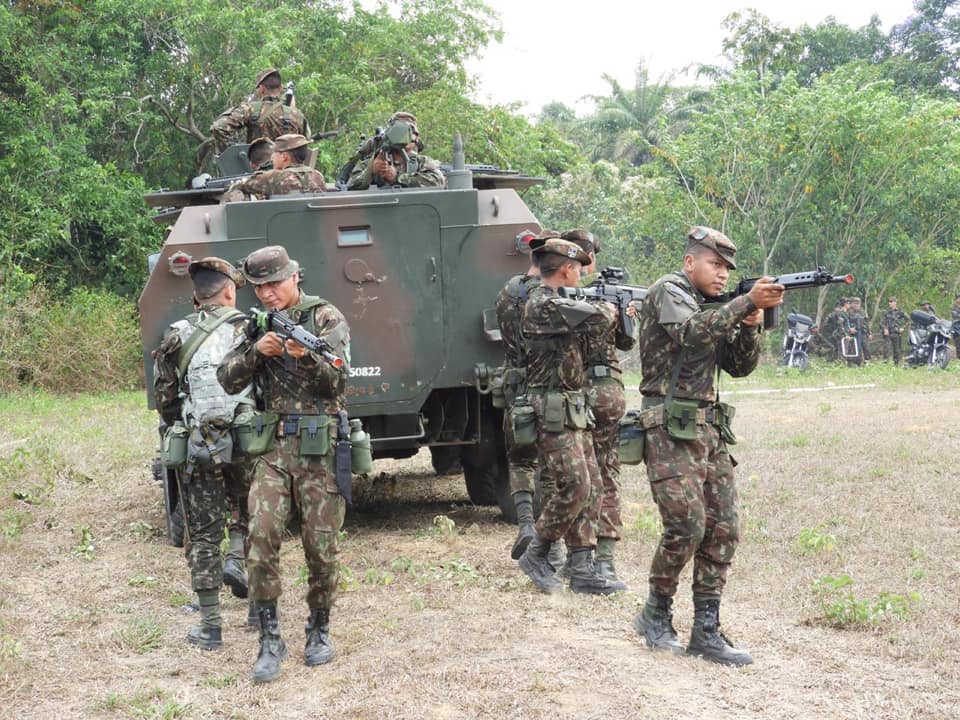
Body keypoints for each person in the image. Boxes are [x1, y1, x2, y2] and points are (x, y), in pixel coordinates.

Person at [632, 226, 784, 666]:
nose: (721, 275)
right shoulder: (668, 291)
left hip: (709, 428)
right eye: (714, 264)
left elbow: (739, 367)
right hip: (669, 425)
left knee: (723, 527)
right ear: (689, 262)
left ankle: (706, 628)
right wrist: (745, 303)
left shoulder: (716, 306)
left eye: (726, 269)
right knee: (686, 525)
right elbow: (692, 333)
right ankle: (655, 613)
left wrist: (750, 326)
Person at [217, 245, 351, 683]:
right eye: (259, 287)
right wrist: (258, 352)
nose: (267, 293)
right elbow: (226, 378)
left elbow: (339, 381)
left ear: (295, 277)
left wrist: (305, 357)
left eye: (274, 284)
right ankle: (270, 638)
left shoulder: (325, 317)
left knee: (321, 546)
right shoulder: (255, 325)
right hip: (273, 449)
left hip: (319, 450)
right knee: (261, 538)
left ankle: (319, 628)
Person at [151, 257, 254, 650]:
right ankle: (257, 608)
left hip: (200, 445)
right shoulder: (251, 330)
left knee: (204, 534)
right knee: (253, 518)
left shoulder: (176, 335)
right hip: (249, 442)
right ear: (229, 291)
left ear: (196, 297)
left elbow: (165, 400)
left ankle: (211, 627)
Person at [516, 238, 625, 596]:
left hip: (573, 405)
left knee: (592, 484)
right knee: (575, 484)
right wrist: (610, 306)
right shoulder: (542, 304)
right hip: (552, 408)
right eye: (578, 269)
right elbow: (600, 318)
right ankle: (537, 553)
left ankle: (581, 566)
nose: (581, 274)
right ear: (566, 270)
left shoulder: (558, 300)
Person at [561, 229, 635, 585]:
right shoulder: (589, 298)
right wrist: (624, 316)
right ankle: (603, 560)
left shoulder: (556, 297)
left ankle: (577, 557)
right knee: (604, 473)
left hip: (573, 393)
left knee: (577, 475)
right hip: (604, 389)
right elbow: (626, 342)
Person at [494, 232, 549, 561]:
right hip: (546, 385)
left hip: (515, 384)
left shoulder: (507, 292)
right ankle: (548, 533)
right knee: (551, 461)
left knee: (520, 458)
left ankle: (526, 523)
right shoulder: (551, 297)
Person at [210, 68, 310, 153]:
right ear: (280, 88)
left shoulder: (250, 109)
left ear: (261, 89)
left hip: (257, 167)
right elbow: (306, 142)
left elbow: (218, 127)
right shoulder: (297, 114)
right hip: (287, 168)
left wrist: (238, 155)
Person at [347, 112, 445, 190]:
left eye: (413, 132)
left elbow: (438, 182)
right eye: (405, 132)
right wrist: (371, 170)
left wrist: (397, 178)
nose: (410, 136)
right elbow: (349, 186)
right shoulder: (372, 162)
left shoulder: (422, 162)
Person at [221, 134, 326, 202]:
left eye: (275, 154)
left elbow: (242, 185)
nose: (272, 158)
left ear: (284, 156)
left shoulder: (274, 177)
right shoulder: (318, 176)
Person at [881, 297, 909, 364]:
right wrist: (885, 329)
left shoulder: (900, 312)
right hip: (888, 334)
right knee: (886, 349)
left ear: (895, 303)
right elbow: (881, 323)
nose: (889, 303)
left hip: (896, 333)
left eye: (891, 302)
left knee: (897, 350)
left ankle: (896, 364)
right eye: (889, 302)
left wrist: (903, 327)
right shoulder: (886, 313)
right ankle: (885, 364)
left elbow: (909, 320)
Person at [847, 297, 870, 365]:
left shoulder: (863, 312)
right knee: (854, 348)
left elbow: (867, 323)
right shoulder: (848, 312)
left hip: (863, 333)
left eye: (858, 303)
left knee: (865, 347)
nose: (856, 305)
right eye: (855, 303)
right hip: (853, 334)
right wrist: (850, 329)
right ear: (852, 304)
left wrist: (869, 333)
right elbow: (846, 323)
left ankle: (866, 361)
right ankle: (853, 362)